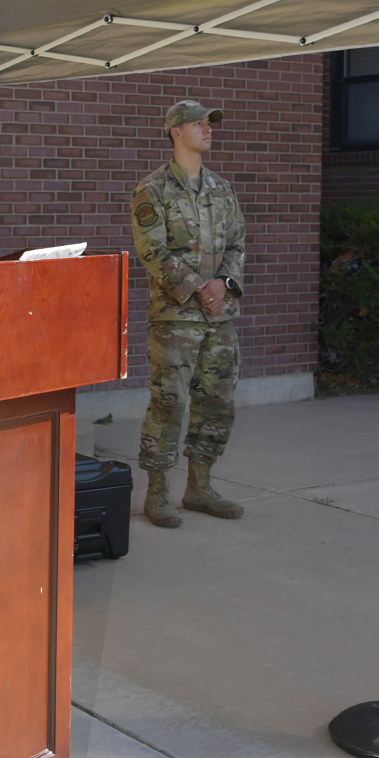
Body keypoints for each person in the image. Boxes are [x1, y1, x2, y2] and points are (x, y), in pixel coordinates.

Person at [131, 99, 246, 529]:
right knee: (169, 402)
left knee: (217, 402)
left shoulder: (222, 188)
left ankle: (199, 486)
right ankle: (157, 492)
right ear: (175, 131)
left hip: (220, 317)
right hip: (176, 317)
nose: (207, 129)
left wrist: (223, 285)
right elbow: (151, 250)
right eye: (198, 124)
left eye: (209, 123)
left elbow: (237, 244)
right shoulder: (153, 189)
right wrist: (198, 288)